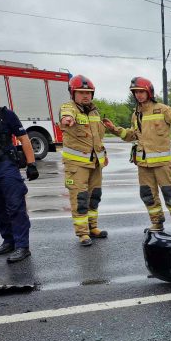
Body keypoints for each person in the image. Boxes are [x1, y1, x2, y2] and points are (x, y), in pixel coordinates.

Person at [103, 77, 171, 234]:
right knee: (148, 195)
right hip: (143, 165)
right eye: (136, 92)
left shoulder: (163, 109)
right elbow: (132, 135)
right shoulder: (136, 114)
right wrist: (114, 129)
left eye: (141, 91)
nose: (139, 95)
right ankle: (157, 223)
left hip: (162, 164)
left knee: (170, 194)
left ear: (149, 91)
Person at [0, 83, 39, 263]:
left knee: (15, 206)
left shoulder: (6, 115)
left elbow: (24, 139)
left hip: (6, 166)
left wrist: (31, 164)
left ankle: (22, 246)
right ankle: (9, 241)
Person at [58, 75, 108, 246]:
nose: (85, 96)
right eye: (81, 92)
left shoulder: (94, 112)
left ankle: (93, 227)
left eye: (88, 93)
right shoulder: (68, 107)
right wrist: (67, 119)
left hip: (95, 163)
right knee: (80, 198)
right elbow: (66, 114)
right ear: (73, 93)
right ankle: (82, 233)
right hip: (77, 165)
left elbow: (97, 138)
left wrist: (103, 155)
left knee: (94, 196)